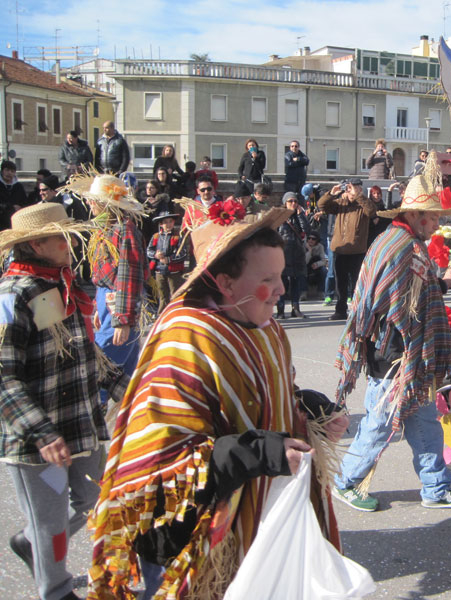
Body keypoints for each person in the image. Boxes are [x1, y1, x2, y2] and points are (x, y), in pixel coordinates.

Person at [87, 206, 348, 599]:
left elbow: (268, 396)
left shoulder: (266, 327)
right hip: (201, 536)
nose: (282, 288)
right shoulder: (186, 340)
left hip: (258, 521)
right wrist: (263, 451)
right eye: (269, 279)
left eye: (282, 276)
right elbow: (165, 462)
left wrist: (311, 410)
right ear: (225, 282)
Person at [0, 203, 128, 600]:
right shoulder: (12, 295)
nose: (69, 242)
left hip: (79, 424)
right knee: (52, 522)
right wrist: (39, 431)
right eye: (60, 236)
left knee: (93, 498)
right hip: (39, 438)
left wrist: (125, 385)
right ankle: (55, 589)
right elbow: (3, 375)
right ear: (36, 244)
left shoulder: (61, 285)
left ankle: (33, 542)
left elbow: (83, 352)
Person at [333, 163, 451, 512]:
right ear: (413, 214)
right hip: (396, 354)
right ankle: (346, 482)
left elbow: (411, 292)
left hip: (404, 354)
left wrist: (441, 282)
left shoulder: (400, 241)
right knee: (380, 425)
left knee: (424, 423)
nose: (436, 223)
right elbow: (395, 303)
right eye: (430, 216)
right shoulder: (403, 246)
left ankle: (436, 488)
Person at [62, 174, 146, 382]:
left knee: (102, 364)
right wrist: (98, 306)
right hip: (108, 300)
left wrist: (123, 319)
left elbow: (129, 276)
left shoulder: (124, 231)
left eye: (93, 200)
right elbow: (104, 277)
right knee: (123, 369)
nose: (89, 204)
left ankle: (100, 407)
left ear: (105, 203)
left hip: (119, 301)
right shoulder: (106, 230)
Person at [318, 178, 376, 320]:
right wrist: (331, 193)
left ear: (360, 190)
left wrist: (358, 195)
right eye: (349, 188)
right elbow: (322, 205)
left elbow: (372, 211)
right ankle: (340, 310)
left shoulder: (364, 204)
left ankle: (359, 311)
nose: (350, 191)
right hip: (340, 249)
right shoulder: (340, 203)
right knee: (341, 284)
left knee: (358, 283)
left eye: (354, 188)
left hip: (357, 251)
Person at [146, 210, 188, 314]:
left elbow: (183, 253)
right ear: (161, 224)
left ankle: (176, 315)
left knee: (176, 295)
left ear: (173, 223)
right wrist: (156, 255)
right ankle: (162, 316)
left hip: (174, 272)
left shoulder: (179, 236)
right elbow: (148, 251)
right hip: (159, 271)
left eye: (170, 222)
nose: (168, 224)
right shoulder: (156, 236)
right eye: (165, 222)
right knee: (162, 296)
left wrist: (169, 259)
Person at [276, 191, 310, 319]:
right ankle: (280, 310)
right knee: (282, 282)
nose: (293, 204)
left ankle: (296, 308)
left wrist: (301, 215)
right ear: (285, 203)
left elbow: (307, 230)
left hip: (297, 253)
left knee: (296, 281)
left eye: (295, 201)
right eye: (290, 201)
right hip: (283, 252)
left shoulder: (298, 216)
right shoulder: (279, 216)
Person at [1, 160, 28, 230]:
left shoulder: (18, 187)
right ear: (2, 171)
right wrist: (10, 207)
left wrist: (21, 208)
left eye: (12, 171)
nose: (9, 173)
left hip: (16, 224)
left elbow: (25, 203)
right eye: (7, 170)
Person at [305, 231, 327, 298]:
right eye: (309, 238)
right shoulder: (303, 246)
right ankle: (303, 292)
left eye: (313, 239)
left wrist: (317, 264)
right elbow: (304, 262)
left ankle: (321, 292)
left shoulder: (320, 247)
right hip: (306, 267)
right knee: (302, 271)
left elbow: (324, 261)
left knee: (324, 271)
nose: (310, 240)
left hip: (316, 267)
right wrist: (309, 251)